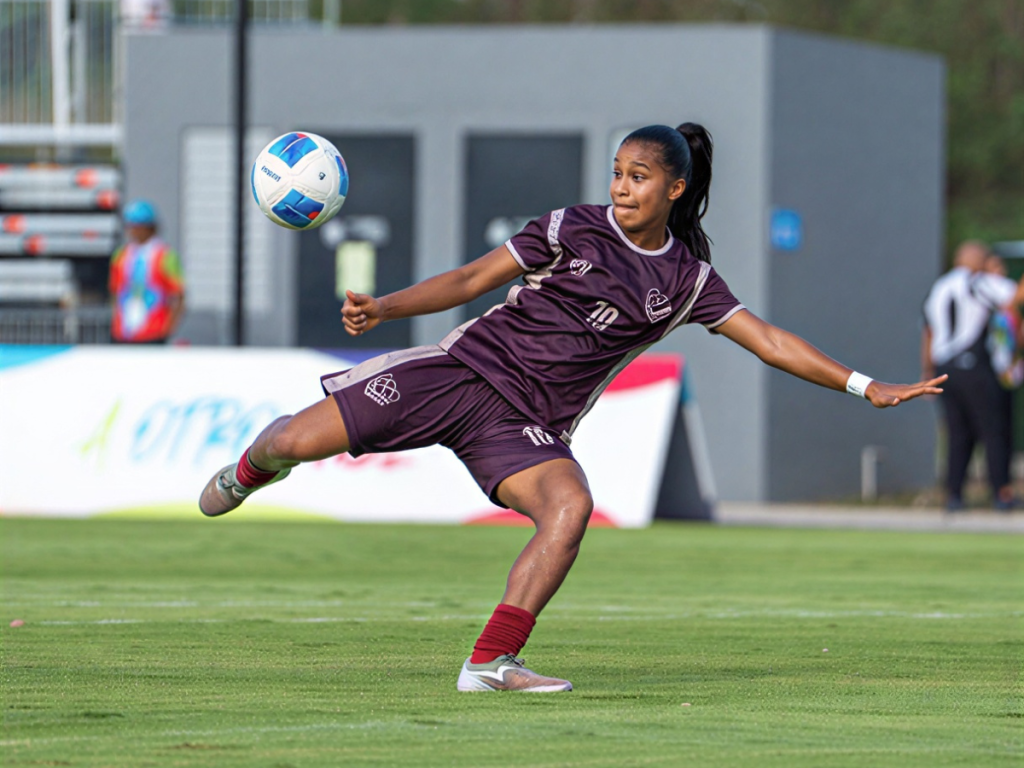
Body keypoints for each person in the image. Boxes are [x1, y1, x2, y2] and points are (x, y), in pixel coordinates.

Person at [200, 123, 944, 692]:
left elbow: (771, 340)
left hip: (525, 426)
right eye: (618, 173)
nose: (623, 187)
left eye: (640, 177)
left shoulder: (687, 280)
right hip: (458, 372)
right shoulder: (572, 226)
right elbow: (470, 278)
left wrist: (863, 384)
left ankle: (492, 661)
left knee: (570, 507)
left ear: (674, 190)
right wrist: (385, 308)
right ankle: (247, 469)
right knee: (295, 440)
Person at [922, 241, 1015, 510]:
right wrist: (998, 274)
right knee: (993, 431)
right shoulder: (980, 282)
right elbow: (1013, 299)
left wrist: (928, 369)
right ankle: (1001, 492)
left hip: (944, 368)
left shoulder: (940, 287)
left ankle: (953, 494)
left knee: (957, 433)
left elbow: (928, 331)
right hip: (975, 364)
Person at [109, 199, 185, 344]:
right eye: (130, 226)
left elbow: (178, 295)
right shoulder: (121, 255)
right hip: (124, 330)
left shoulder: (166, 256)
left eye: (138, 226)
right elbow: (115, 291)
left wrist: (168, 328)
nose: (133, 231)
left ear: (150, 228)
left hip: (154, 331)